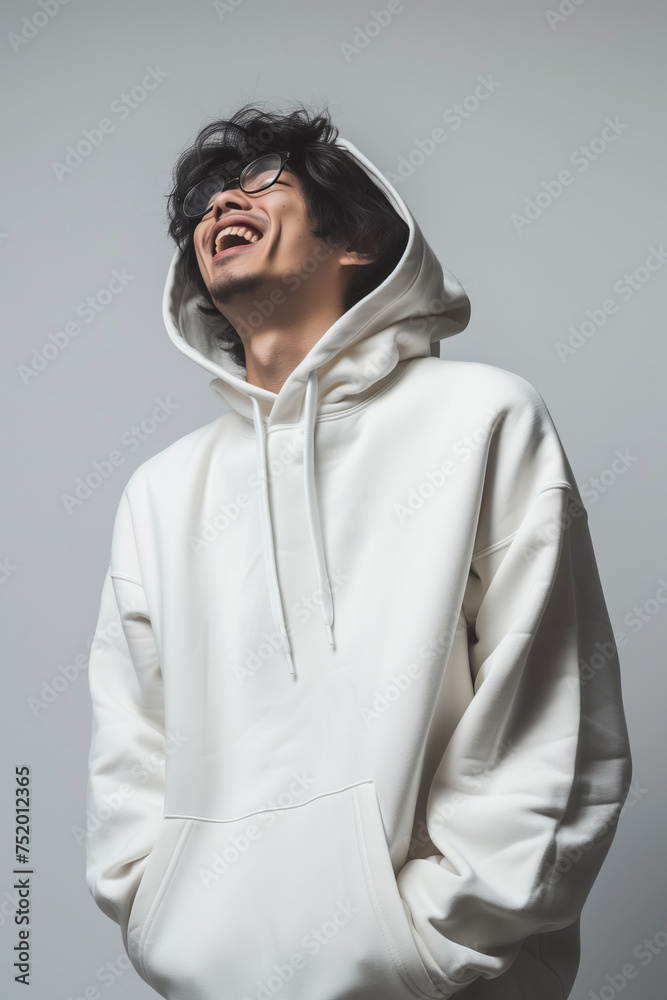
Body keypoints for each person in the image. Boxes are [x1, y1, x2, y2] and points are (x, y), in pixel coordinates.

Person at [84, 101, 633, 1000]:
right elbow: (129, 748)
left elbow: (550, 721)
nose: (223, 204)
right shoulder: (160, 491)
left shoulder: (482, 418)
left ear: (359, 243)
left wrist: (417, 946)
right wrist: (160, 924)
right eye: (207, 201)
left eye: (263, 183)